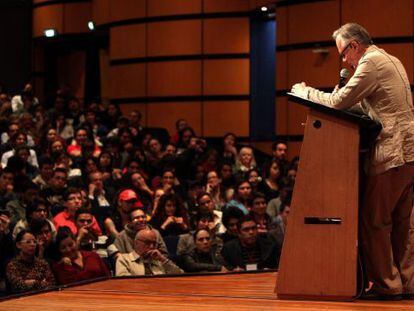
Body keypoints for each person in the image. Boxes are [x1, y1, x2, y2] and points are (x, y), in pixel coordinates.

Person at [291, 22, 414, 300]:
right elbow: (365, 105)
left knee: (376, 221)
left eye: (343, 53)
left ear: (354, 46)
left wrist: (305, 92)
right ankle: (407, 282)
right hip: (409, 153)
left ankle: (387, 285)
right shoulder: (390, 58)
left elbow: (339, 102)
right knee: (402, 221)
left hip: (392, 153)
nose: (344, 60)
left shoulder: (370, 62)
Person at [115, 229, 182, 276]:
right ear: (136, 243)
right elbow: (123, 281)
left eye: (154, 243)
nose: (151, 246)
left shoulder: (159, 260)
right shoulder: (124, 259)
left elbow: (180, 275)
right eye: (147, 242)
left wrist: (162, 259)